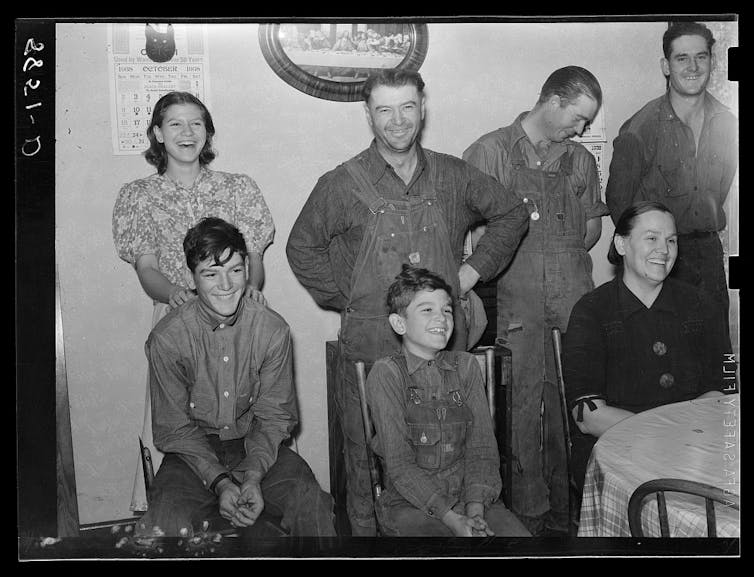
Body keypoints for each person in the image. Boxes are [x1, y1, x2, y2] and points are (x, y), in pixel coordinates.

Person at [286, 69, 528, 535]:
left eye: (407, 107)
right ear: (368, 114)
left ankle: (457, 525)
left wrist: (469, 273)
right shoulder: (343, 182)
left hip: (442, 338)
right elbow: (302, 247)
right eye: (384, 110)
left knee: (451, 444)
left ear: (423, 107)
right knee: (365, 460)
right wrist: (351, 300)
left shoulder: (452, 174)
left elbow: (512, 214)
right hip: (370, 341)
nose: (397, 121)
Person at [112, 91, 275, 513]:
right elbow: (146, 267)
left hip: (238, 314)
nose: (187, 133)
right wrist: (174, 293)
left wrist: (249, 291)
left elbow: (253, 260)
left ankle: (247, 498)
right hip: (178, 319)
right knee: (177, 425)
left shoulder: (238, 188)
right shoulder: (138, 196)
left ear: (208, 132)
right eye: (175, 124)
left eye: (197, 123)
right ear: (157, 134)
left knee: (248, 415)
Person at [462, 65, 607, 535]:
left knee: (579, 400)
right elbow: (475, 235)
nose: (581, 129)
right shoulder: (490, 152)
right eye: (578, 117)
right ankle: (529, 516)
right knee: (522, 405)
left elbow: (589, 232)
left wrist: (557, 265)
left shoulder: (580, 161)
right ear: (553, 101)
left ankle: (580, 512)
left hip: (573, 296)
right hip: (514, 298)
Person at [135, 216, 336, 538]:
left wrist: (253, 477)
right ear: (193, 277)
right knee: (165, 522)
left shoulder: (272, 330)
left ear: (247, 269)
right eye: (211, 274)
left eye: (235, 271)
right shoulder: (167, 338)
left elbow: (274, 418)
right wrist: (222, 482)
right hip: (192, 452)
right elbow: (174, 429)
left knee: (312, 503)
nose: (226, 286)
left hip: (256, 444)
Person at [563, 201, 734, 499]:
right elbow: (586, 415)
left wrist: (684, 439)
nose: (664, 250)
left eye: (671, 240)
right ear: (621, 243)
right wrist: (663, 437)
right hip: (615, 451)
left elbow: (724, 388)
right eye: (651, 238)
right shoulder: (591, 311)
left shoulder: (704, 305)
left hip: (692, 447)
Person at [365, 265, 531, 537]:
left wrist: (475, 512)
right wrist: (453, 520)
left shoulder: (465, 367)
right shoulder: (387, 374)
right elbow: (401, 466)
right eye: (427, 310)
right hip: (411, 504)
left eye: (447, 310)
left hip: (471, 498)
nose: (441, 318)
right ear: (399, 323)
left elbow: (482, 450)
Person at [605, 21, 738, 338]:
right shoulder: (641, 128)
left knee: (715, 354)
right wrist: (650, 257)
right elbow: (619, 205)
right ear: (666, 66)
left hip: (707, 255)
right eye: (682, 58)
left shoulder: (727, 123)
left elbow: (718, 192)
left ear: (712, 62)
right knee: (662, 354)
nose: (693, 67)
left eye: (701, 57)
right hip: (656, 257)